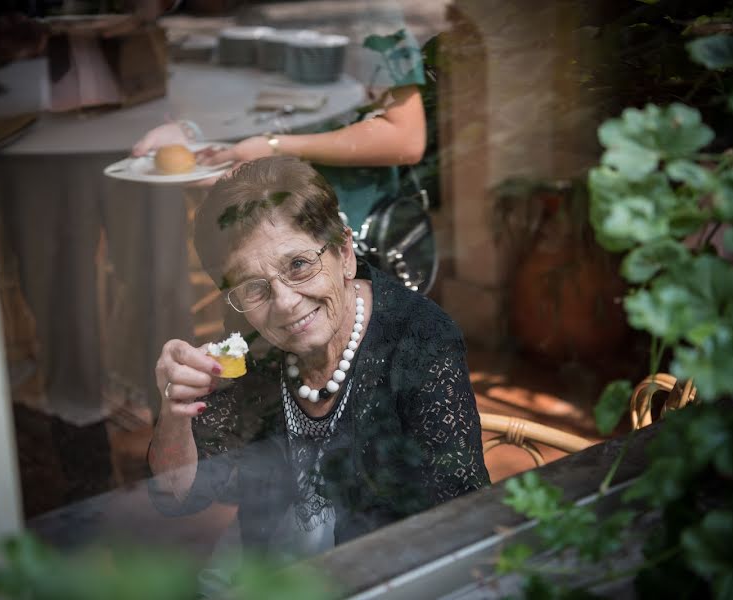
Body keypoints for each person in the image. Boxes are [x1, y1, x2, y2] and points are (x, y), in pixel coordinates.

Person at [147, 156, 489, 561]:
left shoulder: (420, 340)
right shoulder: (251, 339)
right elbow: (180, 495)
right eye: (254, 288)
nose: (286, 303)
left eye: (299, 265)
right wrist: (175, 411)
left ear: (344, 253)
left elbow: (462, 519)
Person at [131, 26, 427, 233]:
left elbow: (405, 138)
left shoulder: (365, 19)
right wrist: (191, 130)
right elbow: (246, 104)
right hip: (257, 225)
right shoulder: (253, 19)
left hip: (343, 223)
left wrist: (275, 147)